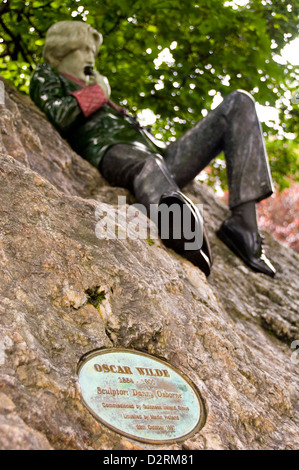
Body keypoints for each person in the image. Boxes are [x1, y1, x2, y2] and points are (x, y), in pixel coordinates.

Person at [30, 20, 276, 278]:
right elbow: (57, 114)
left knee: (240, 101)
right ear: (60, 52)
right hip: (113, 150)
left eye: (93, 51)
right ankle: (182, 230)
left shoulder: (94, 86)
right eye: (84, 50)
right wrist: (98, 92)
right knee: (148, 166)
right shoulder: (47, 75)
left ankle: (244, 226)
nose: (91, 57)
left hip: (159, 154)